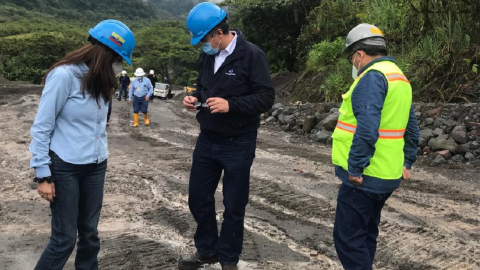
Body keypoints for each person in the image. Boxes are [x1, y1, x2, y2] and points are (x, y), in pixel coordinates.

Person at [29, 19, 135, 270]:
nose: (118, 66)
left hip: (96, 165)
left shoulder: (101, 79)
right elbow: (42, 127)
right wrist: (43, 174)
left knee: (89, 235)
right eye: (117, 59)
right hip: (65, 166)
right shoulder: (64, 76)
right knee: (64, 239)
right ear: (104, 54)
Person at [179, 3, 275, 270]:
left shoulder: (252, 55)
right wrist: (194, 98)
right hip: (207, 139)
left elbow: (266, 97)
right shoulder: (208, 57)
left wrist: (231, 105)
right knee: (198, 198)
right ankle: (208, 250)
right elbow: (203, 87)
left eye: (205, 40)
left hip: (239, 142)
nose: (203, 46)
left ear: (219, 33)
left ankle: (229, 259)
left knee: (234, 205)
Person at [331, 23, 420, 270]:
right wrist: (407, 161)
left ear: (359, 54)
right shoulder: (399, 77)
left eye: (352, 58)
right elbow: (411, 127)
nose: (353, 64)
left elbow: (368, 128)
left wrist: (355, 168)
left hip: (364, 177)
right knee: (367, 233)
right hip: (387, 174)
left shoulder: (371, 78)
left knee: (348, 239)